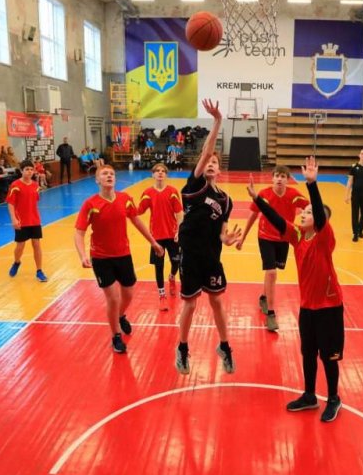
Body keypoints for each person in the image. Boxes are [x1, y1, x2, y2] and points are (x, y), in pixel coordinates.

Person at [246, 157, 344, 422]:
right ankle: (310, 395)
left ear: (321, 220)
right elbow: (278, 220)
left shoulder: (324, 237)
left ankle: (334, 398)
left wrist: (312, 185)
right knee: (308, 352)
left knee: (329, 356)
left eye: (309, 213)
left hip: (329, 307)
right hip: (307, 307)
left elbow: (320, 217)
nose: (303, 213)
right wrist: (257, 199)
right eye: (304, 211)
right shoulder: (298, 236)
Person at [175, 99, 242, 375]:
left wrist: (227, 240)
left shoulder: (226, 201)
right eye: (208, 161)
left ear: (220, 170)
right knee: (190, 304)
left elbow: (223, 232)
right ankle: (182, 348)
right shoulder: (195, 185)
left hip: (212, 256)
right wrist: (217, 121)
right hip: (190, 255)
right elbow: (207, 151)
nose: (211, 163)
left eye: (215, 162)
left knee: (216, 301)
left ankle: (224, 346)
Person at [75, 161, 164, 354]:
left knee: (129, 293)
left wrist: (153, 242)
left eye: (112, 174)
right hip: (101, 258)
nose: (109, 176)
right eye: (104, 173)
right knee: (113, 298)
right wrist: (82, 255)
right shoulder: (90, 204)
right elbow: (79, 232)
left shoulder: (125, 199)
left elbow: (137, 221)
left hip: (123, 254)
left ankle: (120, 316)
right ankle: (116, 335)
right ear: (97, 180)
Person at [237, 165, 309, 332]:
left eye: (283, 176)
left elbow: (309, 207)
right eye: (277, 175)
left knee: (271, 272)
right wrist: (243, 237)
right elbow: (253, 215)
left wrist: (306, 220)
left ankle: (263, 297)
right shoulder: (264, 194)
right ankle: (271, 313)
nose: (279, 179)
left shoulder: (294, 195)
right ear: (272, 178)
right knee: (271, 272)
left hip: (284, 238)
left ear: (287, 179)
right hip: (265, 237)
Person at [138, 163, 183, 311]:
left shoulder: (172, 191)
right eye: (157, 171)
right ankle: (162, 296)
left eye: (163, 171)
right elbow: (139, 211)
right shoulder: (147, 193)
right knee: (159, 267)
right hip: (156, 237)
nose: (160, 173)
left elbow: (179, 213)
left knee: (176, 263)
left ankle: (172, 277)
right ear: (153, 174)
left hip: (172, 235)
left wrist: (179, 230)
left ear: (166, 175)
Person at [7, 160, 48, 282]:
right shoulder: (15, 185)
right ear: (21, 171)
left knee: (36, 244)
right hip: (21, 221)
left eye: (31, 169)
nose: (29, 172)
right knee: (20, 246)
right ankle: (17, 262)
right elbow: (10, 203)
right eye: (27, 169)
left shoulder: (35, 185)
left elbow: (35, 202)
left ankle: (39, 271)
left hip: (34, 220)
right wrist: (14, 219)